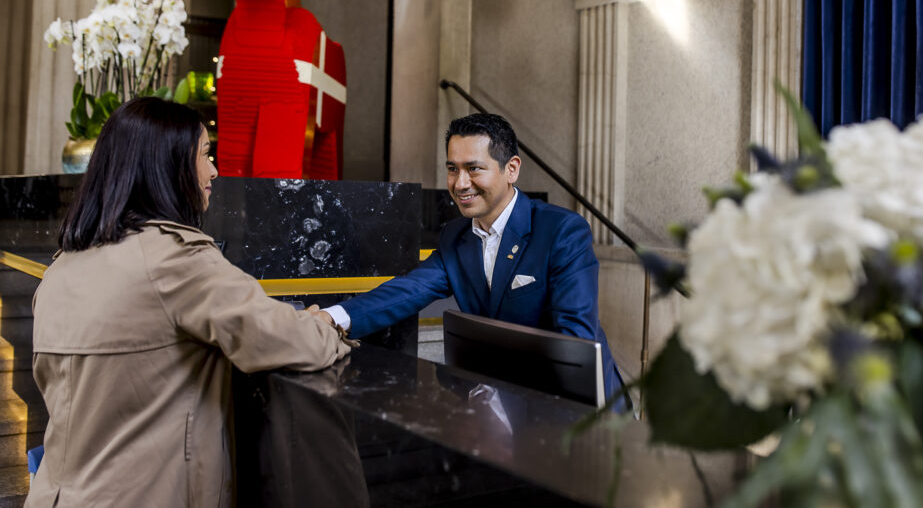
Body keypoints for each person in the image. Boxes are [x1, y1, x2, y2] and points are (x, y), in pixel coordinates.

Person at [27, 97, 352, 508]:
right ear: (168, 166)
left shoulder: (61, 269)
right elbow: (290, 339)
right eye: (204, 154)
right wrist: (329, 323)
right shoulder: (175, 259)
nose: (214, 170)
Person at [319, 113, 627, 407]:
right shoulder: (456, 235)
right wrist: (332, 319)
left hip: (578, 414)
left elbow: (576, 343)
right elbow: (408, 290)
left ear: (512, 169)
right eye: (452, 169)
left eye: (474, 168)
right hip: (502, 412)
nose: (460, 183)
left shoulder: (561, 231)